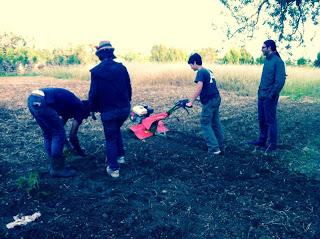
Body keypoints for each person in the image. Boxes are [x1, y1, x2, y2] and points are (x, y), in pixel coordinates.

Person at [88, 40, 132, 178]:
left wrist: (92, 108)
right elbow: (129, 88)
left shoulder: (96, 72)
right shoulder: (122, 68)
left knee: (110, 138)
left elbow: (93, 93)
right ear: (112, 53)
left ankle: (113, 168)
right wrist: (126, 103)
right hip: (124, 109)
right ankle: (120, 156)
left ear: (99, 55)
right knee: (116, 129)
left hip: (108, 111)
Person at [27, 88, 90, 177]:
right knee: (57, 133)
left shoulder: (70, 106)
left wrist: (69, 147)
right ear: (86, 111)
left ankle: (52, 164)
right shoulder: (80, 108)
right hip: (42, 101)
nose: (85, 118)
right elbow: (72, 135)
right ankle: (57, 168)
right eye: (86, 116)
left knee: (48, 133)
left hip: (32, 99)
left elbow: (60, 125)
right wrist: (80, 152)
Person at [248, 39, 286, 151]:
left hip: (270, 97)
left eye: (263, 47)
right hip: (262, 95)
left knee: (270, 120)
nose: (261, 49)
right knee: (262, 119)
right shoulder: (266, 60)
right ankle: (262, 140)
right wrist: (260, 92)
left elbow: (280, 81)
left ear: (269, 48)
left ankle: (272, 144)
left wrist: (271, 95)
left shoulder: (278, 62)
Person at [186, 53, 224, 155]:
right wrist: (200, 98)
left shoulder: (200, 72)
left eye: (190, 64)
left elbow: (199, 87)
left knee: (205, 123)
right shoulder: (208, 70)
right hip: (216, 98)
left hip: (210, 101)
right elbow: (209, 86)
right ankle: (220, 145)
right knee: (215, 122)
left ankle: (214, 148)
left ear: (194, 62)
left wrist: (191, 102)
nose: (190, 67)